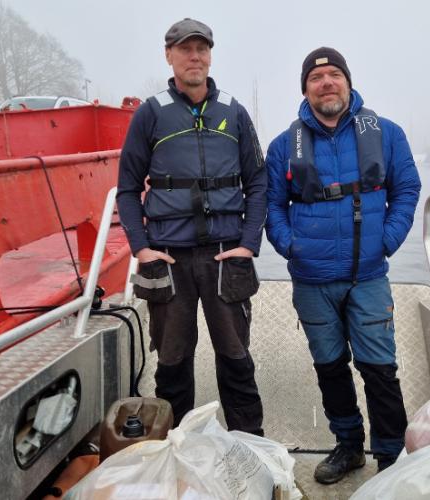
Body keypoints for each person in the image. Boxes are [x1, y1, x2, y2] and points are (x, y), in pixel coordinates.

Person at [264, 47, 421, 483]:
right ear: (305, 90)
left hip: (368, 274)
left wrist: (386, 240)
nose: (327, 83)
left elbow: (407, 189)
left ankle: (391, 456)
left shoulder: (387, 134)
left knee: (379, 369)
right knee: (330, 368)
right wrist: (290, 245)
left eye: (334, 74)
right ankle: (348, 446)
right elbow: (271, 205)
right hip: (311, 278)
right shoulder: (283, 146)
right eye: (317, 78)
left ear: (348, 82)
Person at [117, 18, 267, 435]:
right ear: (169, 56)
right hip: (169, 260)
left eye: (201, 48)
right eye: (185, 49)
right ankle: (173, 451)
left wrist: (249, 243)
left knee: (237, 361)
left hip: (226, 257)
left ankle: (250, 449)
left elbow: (258, 181)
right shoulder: (150, 115)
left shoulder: (234, 113)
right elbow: (126, 189)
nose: (194, 56)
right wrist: (141, 248)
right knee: (172, 363)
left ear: (210, 55)